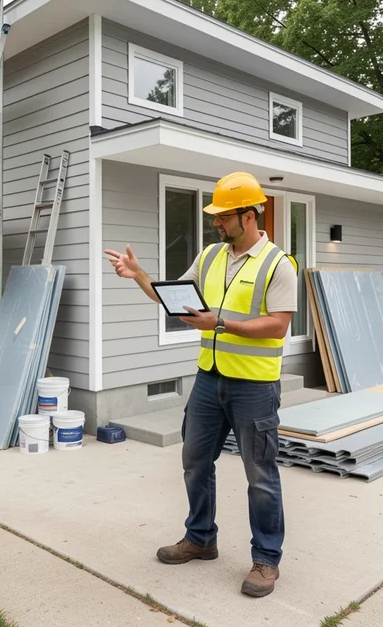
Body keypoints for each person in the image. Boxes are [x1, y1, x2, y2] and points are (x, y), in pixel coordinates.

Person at [104, 171, 297, 598]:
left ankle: (266, 559)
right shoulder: (210, 256)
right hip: (209, 382)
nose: (215, 223)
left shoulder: (277, 264)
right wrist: (138, 275)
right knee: (194, 462)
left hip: (254, 388)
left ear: (248, 216)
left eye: (223, 216)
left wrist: (220, 322)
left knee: (260, 475)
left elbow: (279, 325)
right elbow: (173, 296)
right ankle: (201, 539)